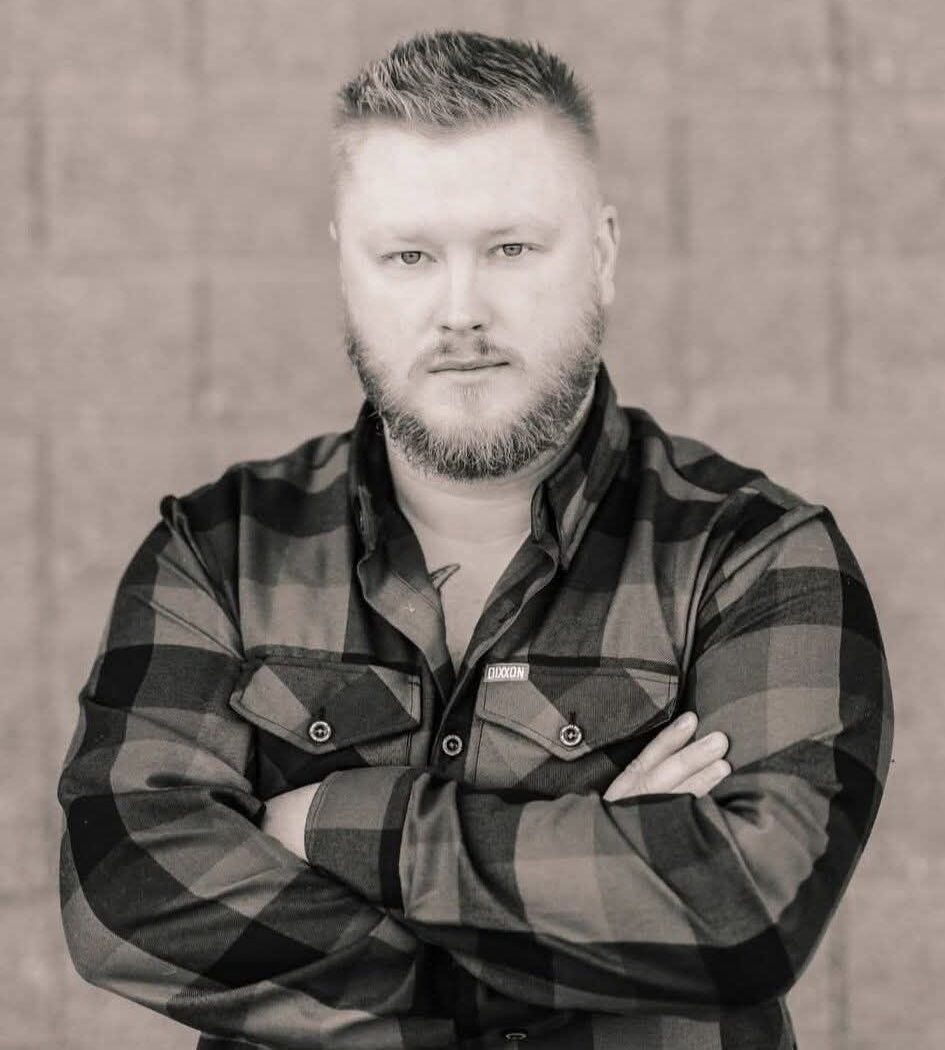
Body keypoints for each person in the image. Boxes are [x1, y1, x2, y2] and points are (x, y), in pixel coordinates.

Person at [57, 29, 893, 1050]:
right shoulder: (219, 553)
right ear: (346, 268)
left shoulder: (757, 557)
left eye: (510, 249)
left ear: (604, 253)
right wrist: (586, 913)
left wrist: (328, 825)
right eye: (409, 255)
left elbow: (742, 916)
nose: (461, 310)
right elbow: (127, 897)